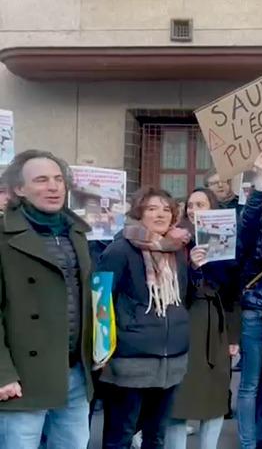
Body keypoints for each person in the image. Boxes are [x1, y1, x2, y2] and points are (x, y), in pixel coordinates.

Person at [0, 150, 94, 448]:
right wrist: (2, 374)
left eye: (58, 179)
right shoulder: (3, 237)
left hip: (75, 371)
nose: (53, 187)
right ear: (19, 189)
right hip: (23, 377)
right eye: (41, 180)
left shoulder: (76, 233)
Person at [98, 187, 192, 448]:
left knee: (156, 436)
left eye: (166, 209)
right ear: (139, 213)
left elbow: (184, 298)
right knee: (121, 436)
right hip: (131, 362)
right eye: (152, 208)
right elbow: (101, 300)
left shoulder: (177, 251)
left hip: (170, 361)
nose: (160, 214)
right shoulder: (120, 249)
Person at [165, 188, 239, 449]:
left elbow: (232, 293)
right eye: (191, 205)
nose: (194, 210)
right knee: (180, 400)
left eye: (201, 204)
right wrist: (193, 268)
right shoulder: (174, 241)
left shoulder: (227, 240)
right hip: (185, 325)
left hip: (215, 326)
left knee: (215, 396)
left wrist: (233, 335)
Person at [236, 152, 262, 449]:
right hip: (254, 307)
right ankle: (247, 442)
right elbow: (250, 216)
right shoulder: (251, 220)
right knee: (250, 383)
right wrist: (259, 179)